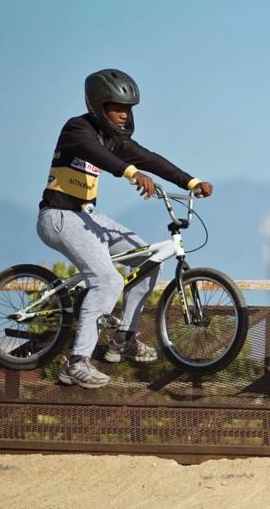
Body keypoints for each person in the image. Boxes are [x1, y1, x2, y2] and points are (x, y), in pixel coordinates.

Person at [38, 68, 212, 389]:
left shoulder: (114, 140)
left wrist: (191, 181)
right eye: (117, 108)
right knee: (107, 281)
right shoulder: (77, 129)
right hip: (59, 216)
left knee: (147, 260)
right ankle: (77, 362)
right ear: (97, 106)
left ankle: (123, 339)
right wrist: (131, 173)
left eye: (128, 109)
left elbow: (151, 159)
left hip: (88, 217)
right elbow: (98, 155)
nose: (123, 115)